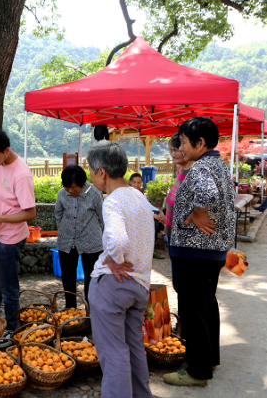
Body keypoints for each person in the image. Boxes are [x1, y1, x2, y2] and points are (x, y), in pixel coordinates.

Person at [163, 117, 235, 387]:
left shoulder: (202, 166)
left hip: (196, 251)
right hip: (210, 251)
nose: (180, 148)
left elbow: (206, 193)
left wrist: (197, 212)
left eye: (183, 142)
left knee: (194, 311)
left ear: (200, 143)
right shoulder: (217, 163)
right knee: (206, 306)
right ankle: (208, 359)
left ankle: (197, 371)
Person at [85, 141, 154, 398]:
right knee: (133, 346)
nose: (91, 178)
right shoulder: (139, 196)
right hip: (139, 286)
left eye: (92, 172)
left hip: (114, 286)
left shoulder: (112, 201)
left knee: (113, 352)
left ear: (102, 172)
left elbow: (118, 240)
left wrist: (112, 259)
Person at [0, 129, 36, 347]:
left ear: (7, 150)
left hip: (11, 238)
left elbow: (30, 213)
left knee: (7, 286)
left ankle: (11, 327)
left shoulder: (21, 174)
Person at [54, 165, 104, 309]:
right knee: (68, 276)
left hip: (91, 242)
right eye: (67, 187)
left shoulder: (95, 193)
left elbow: (103, 218)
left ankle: (90, 310)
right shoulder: (61, 194)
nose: (70, 190)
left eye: (74, 187)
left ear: (82, 183)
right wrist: (64, 230)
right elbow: (58, 214)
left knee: (91, 278)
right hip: (66, 241)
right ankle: (70, 309)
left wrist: (97, 235)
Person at [164, 133, 195, 293]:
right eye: (171, 150)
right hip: (173, 237)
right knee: (178, 285)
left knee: (185, 286)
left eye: (177, 149)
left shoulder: (193, 174)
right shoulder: (182, 171)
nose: (174, 153)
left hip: (184, 241)